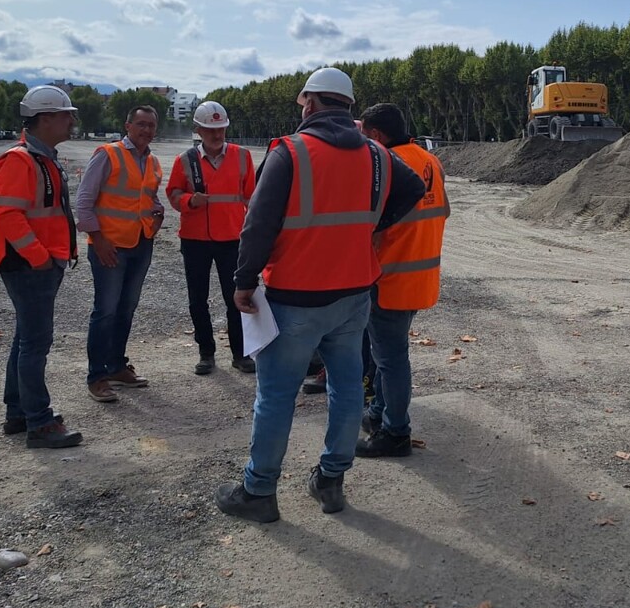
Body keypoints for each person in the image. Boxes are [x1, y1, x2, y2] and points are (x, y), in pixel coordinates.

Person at [214, 67, 425, 523]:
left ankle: (259, 490)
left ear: (309, 103)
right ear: (348, 106)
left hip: (296, 294)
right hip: (354, 293)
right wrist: (374, 225)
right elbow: (415, 187)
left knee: (276, 395)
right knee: (347, 389)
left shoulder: (290, 152)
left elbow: (258, 224)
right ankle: (331, 480)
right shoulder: (376, 154)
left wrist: (244, 280)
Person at [0, 86, 83, 449]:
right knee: (35, 343)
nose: (71, 120)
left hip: (38, 263)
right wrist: (39, 257)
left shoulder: (42, 157)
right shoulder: (20, 160)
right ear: (45, 119)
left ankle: (18, 412)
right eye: (66, 115)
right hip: (29, 265)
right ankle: (39, 422)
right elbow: (8, 215)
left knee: (25, 339)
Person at [354, 102, 449, 458]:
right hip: (421, 276)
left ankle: (395, 432)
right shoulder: (430, 161)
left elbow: (369, 224)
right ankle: (379, 411)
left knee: (392, 359)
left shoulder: (383, 165)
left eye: (366, 135)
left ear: (377, 135)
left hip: (390, 277)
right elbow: (443, 211)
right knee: (387, 354)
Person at [76, 105, 165, 404]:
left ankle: (116, 366)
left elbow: (147, 197)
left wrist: (157, 214)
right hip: (110, 247)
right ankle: (96, 377)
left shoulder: (152, 161)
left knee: (126, 308)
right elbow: (84, 201)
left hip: (141, 243)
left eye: (151, 125)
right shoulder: (108, 154)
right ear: (128, 126)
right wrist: (97, 238)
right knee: (105, 311)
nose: (146, 130)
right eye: (141, 124)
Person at [166, 100, 256, 375]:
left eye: (221, 129)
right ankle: (206, 353)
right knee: (197, 300)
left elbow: (252, 198)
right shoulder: (185, 160)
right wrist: (189, 201)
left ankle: (241, 354)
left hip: (232, 238)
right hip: (195, 240)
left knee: (236, 298)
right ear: (198, 130)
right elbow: (173, 193)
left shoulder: (243, 157)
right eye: (210, 129)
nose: (217, 134)